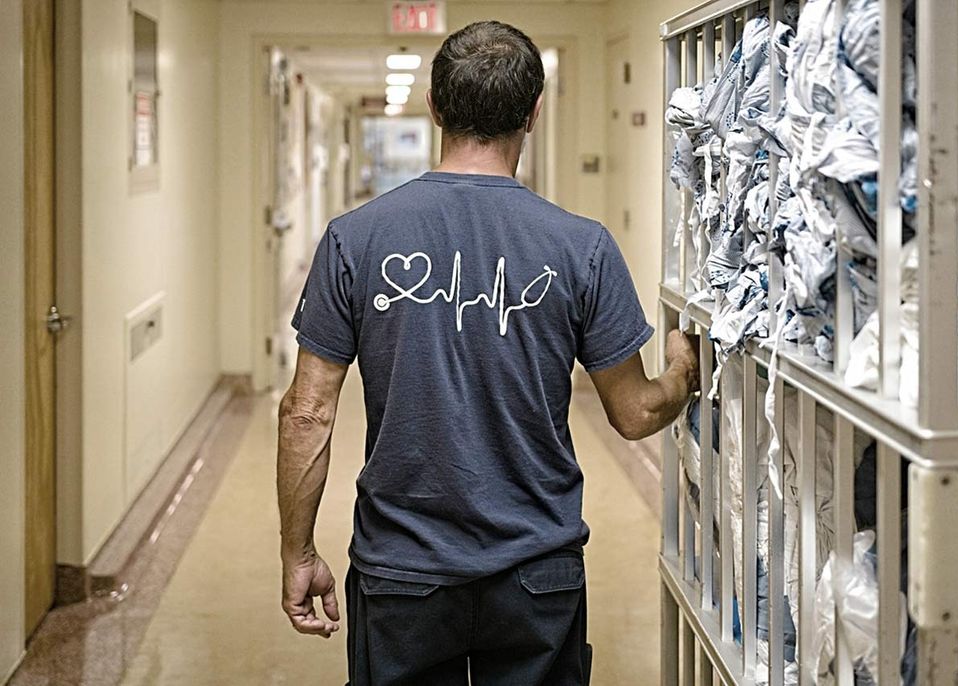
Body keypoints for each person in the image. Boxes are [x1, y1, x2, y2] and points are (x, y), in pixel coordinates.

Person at [277, 20, 700, 686]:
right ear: (534, 113)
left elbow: (306, 413)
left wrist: (297, 552)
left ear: (435, 108)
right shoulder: (581, 246)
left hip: (401, 572)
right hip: (537, 572)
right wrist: (682, 368)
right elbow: (637, 414)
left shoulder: (353, 239)